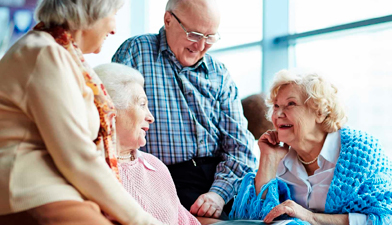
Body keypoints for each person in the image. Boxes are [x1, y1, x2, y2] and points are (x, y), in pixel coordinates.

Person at [0, 1, 162, 224]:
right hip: (29, 193)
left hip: (55, 192)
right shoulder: (44, 52)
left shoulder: (62, 56)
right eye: (114, 14)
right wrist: (142, 220)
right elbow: (77, 158)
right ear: (91, 14)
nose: (114, 28)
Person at [112, 0, 257, 219]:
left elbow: (240, 148)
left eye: (210, 37)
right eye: (194, 34)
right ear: (168, 20)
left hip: (218, 182)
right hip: (158, 179)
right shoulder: (137, 52)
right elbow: (115, 123)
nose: (201, 46)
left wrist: (218, 194)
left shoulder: (219, 73)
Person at [230, 70, 392, 225]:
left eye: (290, 104)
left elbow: (389, 218)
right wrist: (267, 159)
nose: (278, 114)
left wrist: (310, 217)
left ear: (320, 112)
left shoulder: (360, 149)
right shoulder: (281, 157)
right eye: (275, 106)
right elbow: (252, 219)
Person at [95, 62, 211, 225]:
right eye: (142, 105)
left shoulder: (156, 166)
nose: (151, 117)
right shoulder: (89, 171)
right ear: (110, 110)